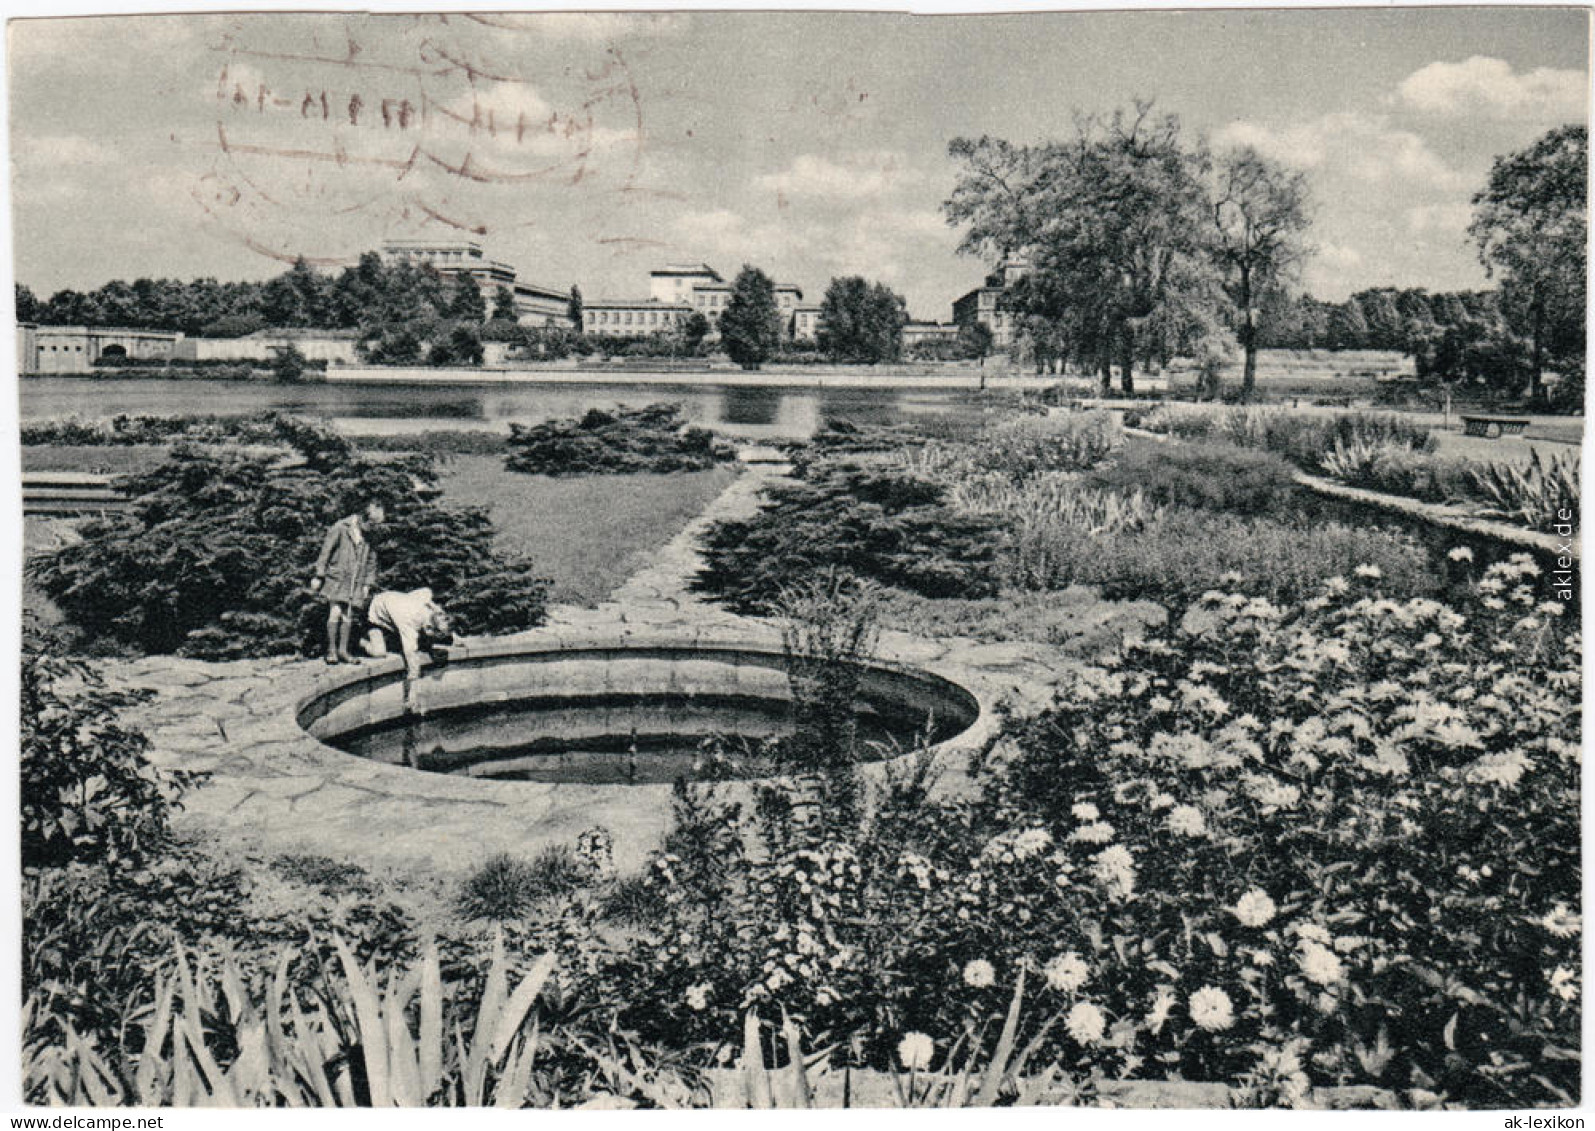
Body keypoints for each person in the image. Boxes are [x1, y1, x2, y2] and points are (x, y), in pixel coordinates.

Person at [310, 502, 383, 664]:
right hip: (338, 579)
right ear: (362, 519)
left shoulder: (370, 535)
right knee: (335, 612)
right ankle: (331, 651)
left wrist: (367, 584)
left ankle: (343, 651)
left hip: (356, 581)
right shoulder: (341, 527)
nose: (373, 528)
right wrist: (319, 575)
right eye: (372, 524)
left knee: (348, 615)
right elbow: (325, 552)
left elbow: (372, 561)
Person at [362, 587, 454, 705]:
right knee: (379, 652)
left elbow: (426, 591)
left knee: (420, 641)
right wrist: (412, 693)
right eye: (435, 636)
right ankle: (358, 640)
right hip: (374, 615)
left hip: (393, 605)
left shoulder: (432, 611)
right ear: (429, 627)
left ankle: (390, 637)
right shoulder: (409, 623)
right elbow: (411, 656)